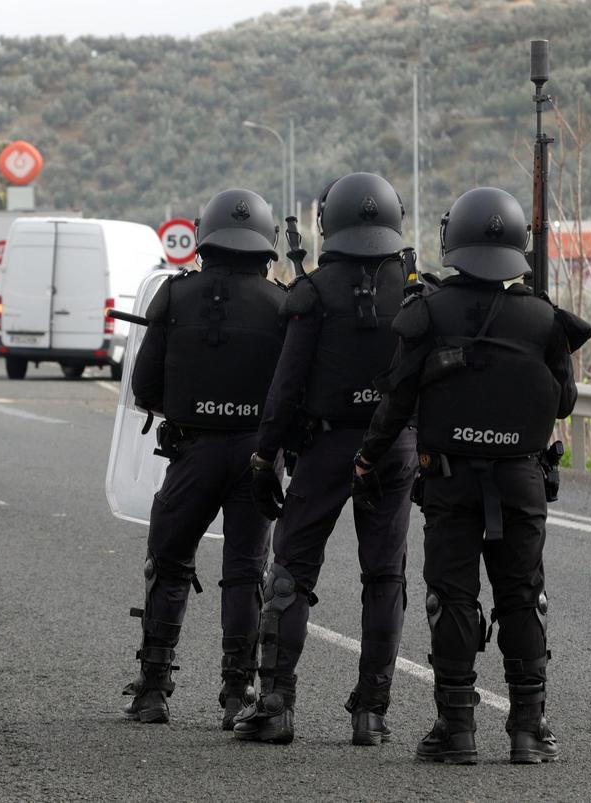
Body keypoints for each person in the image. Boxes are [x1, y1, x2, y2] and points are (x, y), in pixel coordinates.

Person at [355, 187, 591, 765]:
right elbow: (563, 402)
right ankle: (528, 731)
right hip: (522, 481)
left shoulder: (427, 311)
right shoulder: (543, 318)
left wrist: (367, 456)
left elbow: (396, 399)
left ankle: (455, 730)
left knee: (452, 599)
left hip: (450, 481)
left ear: (452, 241)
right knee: (522, 597)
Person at [233, 173, 418, 745]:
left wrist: (265, 458)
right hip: (394, 448)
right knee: (385, 577)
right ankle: (372, 714)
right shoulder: (417, 293)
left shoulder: (312, 293)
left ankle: (276, 704)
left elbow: (285, 389)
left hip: (325, 445)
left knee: (290, 573)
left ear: (327, 223)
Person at [120, 189, 287, 728]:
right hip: (258, 454)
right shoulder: (282, 304)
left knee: (168, 564)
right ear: (265, 244)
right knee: (245, 571)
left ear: (205, 238)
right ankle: (237, 695)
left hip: (191, 450)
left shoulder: (175, 296)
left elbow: (144, 386)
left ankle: (153, 689)